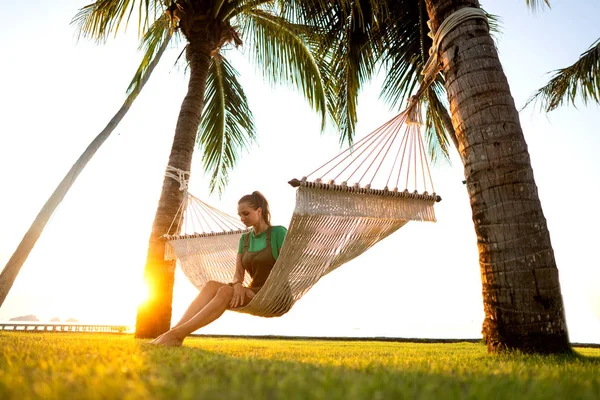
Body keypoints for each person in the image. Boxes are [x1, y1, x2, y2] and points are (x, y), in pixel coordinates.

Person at [151, 191, 287, 346]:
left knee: (224, 291)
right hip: (254, 291)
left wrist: (249, 290)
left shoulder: (278, 233)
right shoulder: (245, 239)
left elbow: (287, 267)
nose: (242, 219)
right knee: (210, 286)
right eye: (240, 215)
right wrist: (238, 286)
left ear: (259, 211)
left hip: (276, 295)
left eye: (246, 213)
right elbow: (238, 273)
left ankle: (177, 335)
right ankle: (172, 333)